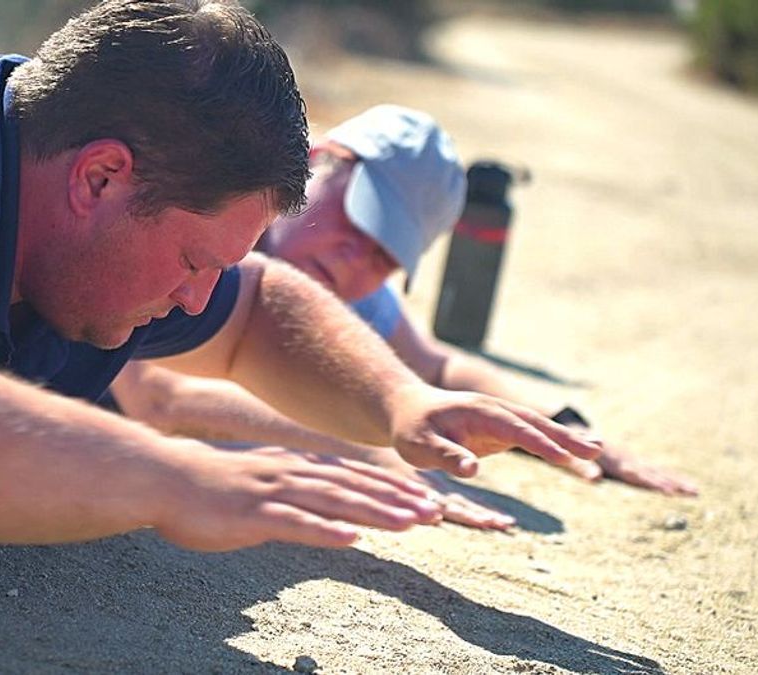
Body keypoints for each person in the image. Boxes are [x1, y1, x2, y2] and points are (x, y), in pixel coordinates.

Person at [0, 0, 602, 552]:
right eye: (189, 261)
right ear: (99, 176)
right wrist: (164, 477)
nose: (194, 296)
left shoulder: (87, 225)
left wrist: (396, 402)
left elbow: (254, 310)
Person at [110, 105, 697, 531]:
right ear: (317, 160)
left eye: (385, 257)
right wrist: (372, 444)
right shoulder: (203, 218)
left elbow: (437, 368)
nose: (355, 262)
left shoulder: (331, 280)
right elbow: (158, 393)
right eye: (359, 223)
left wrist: (565, 430)